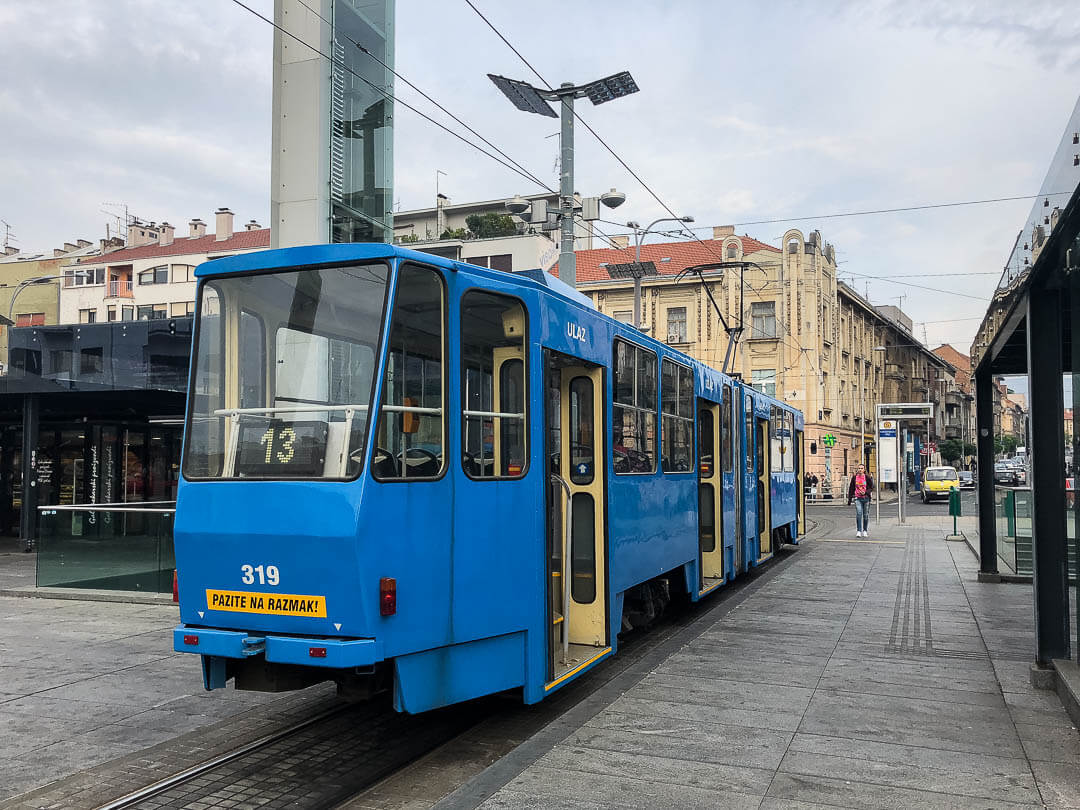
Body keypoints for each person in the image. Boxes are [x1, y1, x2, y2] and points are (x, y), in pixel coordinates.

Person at [847, 464, 874, 537]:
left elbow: (871, 487)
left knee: (865, 515)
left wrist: (866, 492)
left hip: (866, 498)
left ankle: (865, 530)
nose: (860, 470)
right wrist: (849, 499)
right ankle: (859, 530)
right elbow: (851, 488)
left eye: (861, 468)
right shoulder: (854, 478)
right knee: (859, 513)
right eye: (859, 468)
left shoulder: (867, 478)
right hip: (857, 498)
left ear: (864, 470)